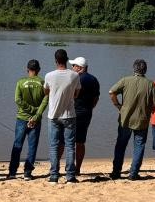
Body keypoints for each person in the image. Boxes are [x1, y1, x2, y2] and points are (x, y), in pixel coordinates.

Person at [108, 58, 155, 180]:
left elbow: (111, 92)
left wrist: (118, 106)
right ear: (145, 70)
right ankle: (133, 173)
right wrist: (147, 108)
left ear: (134, 68)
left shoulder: (125, 80)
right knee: (139, 146)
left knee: (121, 145)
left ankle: (116, 172)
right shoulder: (150, 84)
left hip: (125, 119)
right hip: (142, 119)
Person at [44, 49, 81, 184]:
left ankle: (54, 175)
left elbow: (46, 92)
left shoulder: (49, 75)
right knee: (70, 145)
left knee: (54, 145)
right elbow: (76, 94)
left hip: (53, 115)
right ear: (66, 60)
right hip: (69, 115)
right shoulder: (74, 75)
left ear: (56, 61)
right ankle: (70, 176)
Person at [8, 59, 49, 180]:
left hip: (22, 117)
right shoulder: (43, 82)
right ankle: (27, 173)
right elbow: (46, 99)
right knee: (32, 146)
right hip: (36, 119)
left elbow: (17, 99)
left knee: (17, 144)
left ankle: (12, 172)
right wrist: (36, 113)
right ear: (39, 70)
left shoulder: (21, 82)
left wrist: (29, 109)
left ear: (27, 69)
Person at [70, 57, 100, 175]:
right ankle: (77, 169)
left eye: (73, 66)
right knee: (80, 142)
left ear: (79, 68)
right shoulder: (94, 79)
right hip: (86, 113)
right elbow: (96, 98)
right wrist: (90, 108)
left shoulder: (75, 79)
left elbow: (71, 95)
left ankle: (69, 167)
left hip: (73, 112)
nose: (72, 68)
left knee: (68, 141)